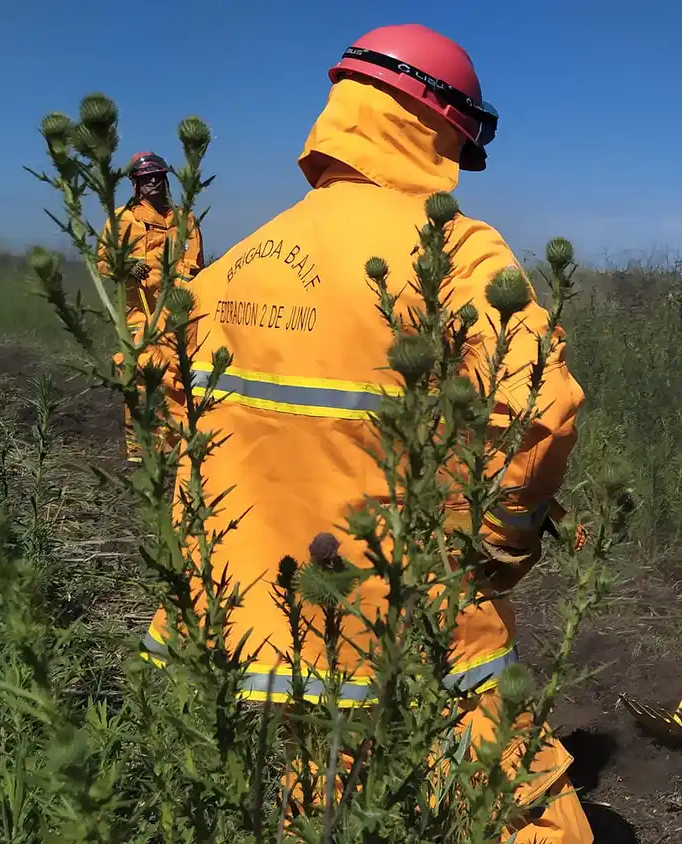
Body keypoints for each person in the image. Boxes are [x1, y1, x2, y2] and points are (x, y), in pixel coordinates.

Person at [137, 23, 592, 843]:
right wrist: (502, 541)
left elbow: (165, 413)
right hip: (409, 619)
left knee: (334, 806)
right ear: (440, 124)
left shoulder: (234, 261)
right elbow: (543, 408)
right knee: (525, 814)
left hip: (260, 620)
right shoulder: (456, 251)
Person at [96, 150, 204, 464]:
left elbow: (195, 265)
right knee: (140, 374)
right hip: (139, 311)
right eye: (145, 179)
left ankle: (171, 447)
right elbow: (104, 262)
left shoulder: (185, 220)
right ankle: (139, 448)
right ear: (135, 184)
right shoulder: (122, 220)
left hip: (177, 311)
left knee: (178, 377)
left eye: (158, 177)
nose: (153, 183)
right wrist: (127, 266)